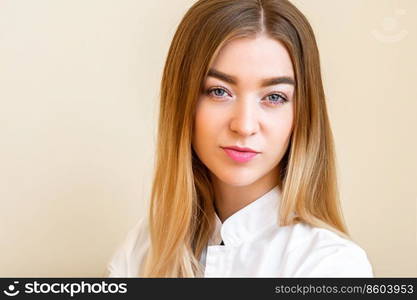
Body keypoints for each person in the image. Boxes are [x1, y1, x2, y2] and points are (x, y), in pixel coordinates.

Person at [106, 0, 374, 277]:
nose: (244, 126)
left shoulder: (329, 265)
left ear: (302, 114)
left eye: (274, 97)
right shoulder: (142, 249)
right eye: (219, 91)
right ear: (182, 101)